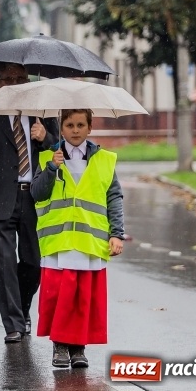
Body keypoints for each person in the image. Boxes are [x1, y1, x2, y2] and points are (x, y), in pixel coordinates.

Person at [0, 63, 58, 344]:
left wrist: (45, 139)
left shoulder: (42, 113)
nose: (15, 83)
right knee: (5, 264)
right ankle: (14, 325)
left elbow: (59, 151)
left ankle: (22, 308)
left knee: (33, 262)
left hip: (34, 197)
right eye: (8, 79)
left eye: (21, 78)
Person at [30, 108, 124, 368]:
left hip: (88, 241)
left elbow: (113, 197)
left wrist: (117, 234)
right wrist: (51, 168)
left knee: (82, 298)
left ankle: (78, 348)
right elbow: (37, 194)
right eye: (69, 124)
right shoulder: (48, 157)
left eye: (80, 124)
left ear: (90, 128)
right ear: (61, 128)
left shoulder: (104, 160)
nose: (75, 130)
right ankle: (59, 346)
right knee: (58, 296)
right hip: (58, 241)